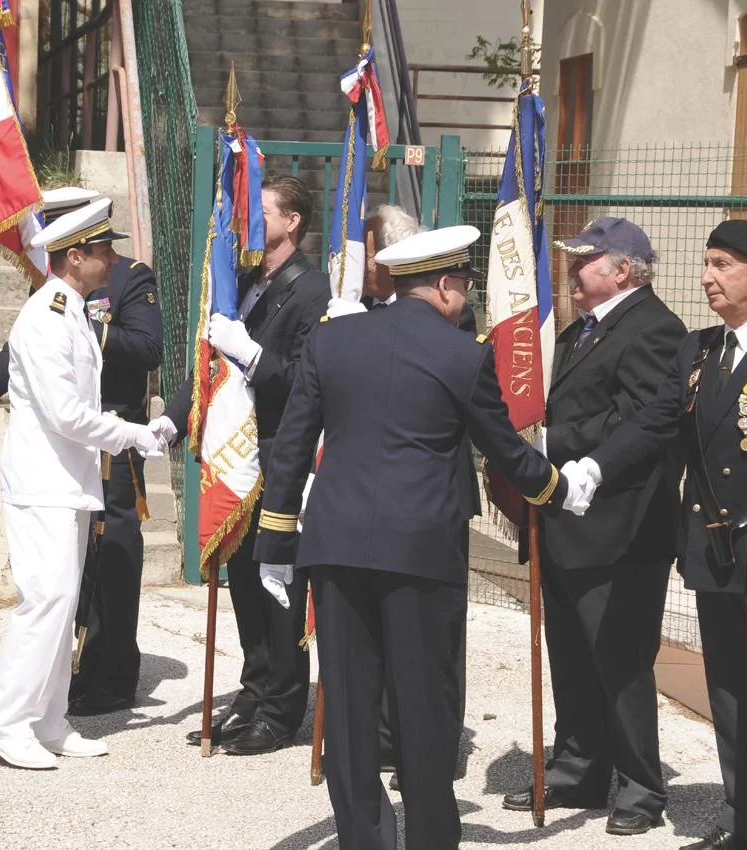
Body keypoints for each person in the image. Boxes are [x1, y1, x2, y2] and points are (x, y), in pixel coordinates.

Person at [253, 224, 592, 850]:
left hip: (336, 546)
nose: (464, 297)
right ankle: (431, 835)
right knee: (421, 701)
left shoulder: (332, 341)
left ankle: (365, 837)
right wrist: (559, 489)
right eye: (462, 284)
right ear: (442, 286)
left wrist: (274, 542)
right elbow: (505, 452)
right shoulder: (463, 355)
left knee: (350, 706)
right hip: (421, 551)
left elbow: (293, 448)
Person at [570, 219, 747, 850]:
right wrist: (598, 465)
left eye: (722, 264)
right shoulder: (697, 349)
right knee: (726, 691)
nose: (706, 278)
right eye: (705, 264)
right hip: (716, 548)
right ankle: (743, 817)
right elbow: (656, 421)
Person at [501, 217, 686, 835]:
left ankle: (639, 785)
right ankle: (580, 763)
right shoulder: (585, 330)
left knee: (621, 657)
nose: (572, 273)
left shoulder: (654, 329)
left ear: (621, 271)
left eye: (584, 262)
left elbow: (641, 425)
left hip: (621, 527)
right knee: (573, 654)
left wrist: (556, 439)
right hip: (568, 520)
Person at [0, 199, 166, 770]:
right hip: (43, 483)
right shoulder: (45, 317)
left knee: (62, 608)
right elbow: (65, 413)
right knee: (47, 603)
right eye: (102, 252)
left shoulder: (72, 312)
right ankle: (7, 725)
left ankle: (51, 720)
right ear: (74, 257)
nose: (112, 261)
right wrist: (133, 434)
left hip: (67, 482)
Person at [152, 174, 331, 755]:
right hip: (241, 459)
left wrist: (252, 352)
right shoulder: (250, 283)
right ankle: (254, 689)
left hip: (281, 457)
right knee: (249, 588)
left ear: (292, 222)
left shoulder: (311, 291)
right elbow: (213, 366)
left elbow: (307, 383)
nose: (250, 220)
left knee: (280, 586)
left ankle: (283, 710)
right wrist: (174, 419)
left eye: (263, 211)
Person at [327, 204, 478, 792]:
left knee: (429, 654)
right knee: (366, 660)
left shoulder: (453, 328)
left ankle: (430, 750)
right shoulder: (346, 325)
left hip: (427, 507)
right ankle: (397, 752)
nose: (359, 268)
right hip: (365, 510)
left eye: (366, 255)